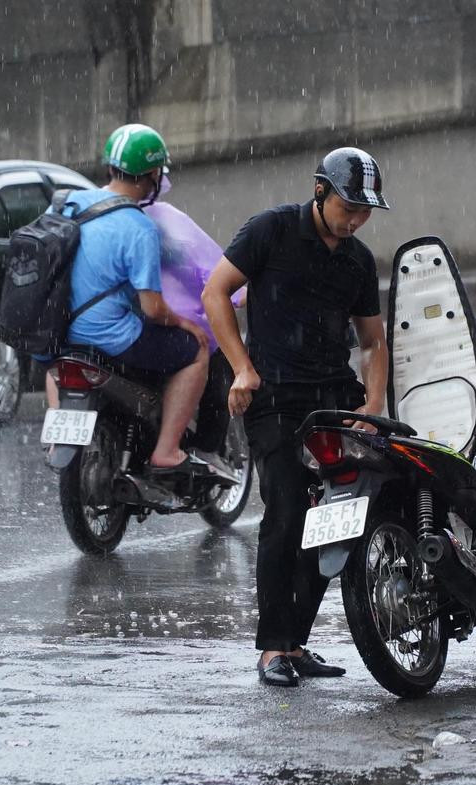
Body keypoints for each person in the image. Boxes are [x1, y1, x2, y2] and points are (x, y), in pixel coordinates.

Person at [202, 146, 391, 687]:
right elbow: (216, 294)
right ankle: (271, 650)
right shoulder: (270, 231)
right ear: (320, 191)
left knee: (337, 522)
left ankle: (296, 643)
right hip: (275, 399)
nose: (355, 220)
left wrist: (372, 407)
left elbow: (373, 342)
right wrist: (242, 368)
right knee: (285, 512)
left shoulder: (358, 261)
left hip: (334, 400)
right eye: (348, 207)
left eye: (365, 211)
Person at [56, 123, 209, 472]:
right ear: (154, 174)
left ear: (110, 166)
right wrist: (188, 324)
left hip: (59, 331)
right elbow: (152, 309)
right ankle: (167, 450)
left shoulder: (70, 203)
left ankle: (58, 433)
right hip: (111, 337)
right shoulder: (138, 227)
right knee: (195, 350)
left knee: (59, 369)